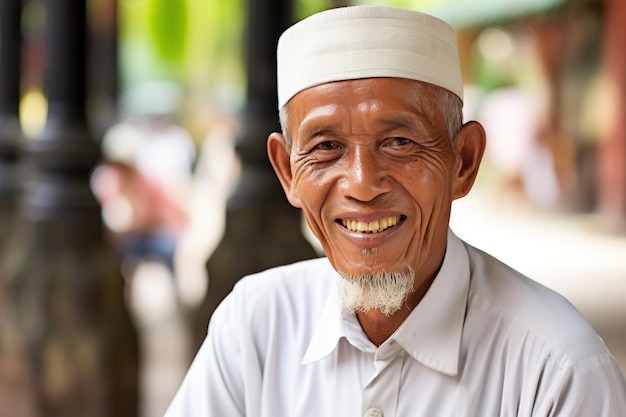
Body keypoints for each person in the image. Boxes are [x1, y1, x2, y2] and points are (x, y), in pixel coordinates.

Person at [164, 5, 626, 416]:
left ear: (463, 161)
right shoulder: (255, 325)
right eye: (326, 147)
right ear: (288, 172)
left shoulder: (557, 369)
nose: (362, 185)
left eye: (400, 142)